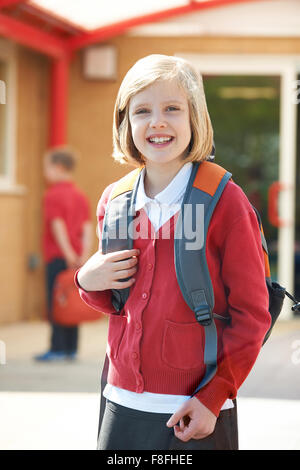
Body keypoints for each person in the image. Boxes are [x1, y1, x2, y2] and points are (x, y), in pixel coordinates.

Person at [74, 55, 271, 450]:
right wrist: (86, 281)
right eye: (142, 110)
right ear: (125, 124)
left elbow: (252, 317)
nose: (157, 122)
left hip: (196, 411)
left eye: (172, 109)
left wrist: (213, 398)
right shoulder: (115, 202)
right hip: (121, 403)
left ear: (194, 118)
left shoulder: (224, 202)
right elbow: (119, 301)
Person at [35, 147, 92, 362]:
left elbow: (57, 226)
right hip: (78, 258)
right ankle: (71, 348)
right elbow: (87, 227)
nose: (45, 173)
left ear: (58, 168)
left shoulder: (52, 194)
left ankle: (57, 348)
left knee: (57, 301)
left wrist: (67, 252)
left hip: (59, 256)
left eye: (46, 168)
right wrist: (83, 253)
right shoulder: (80, 195)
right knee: (73, 300)